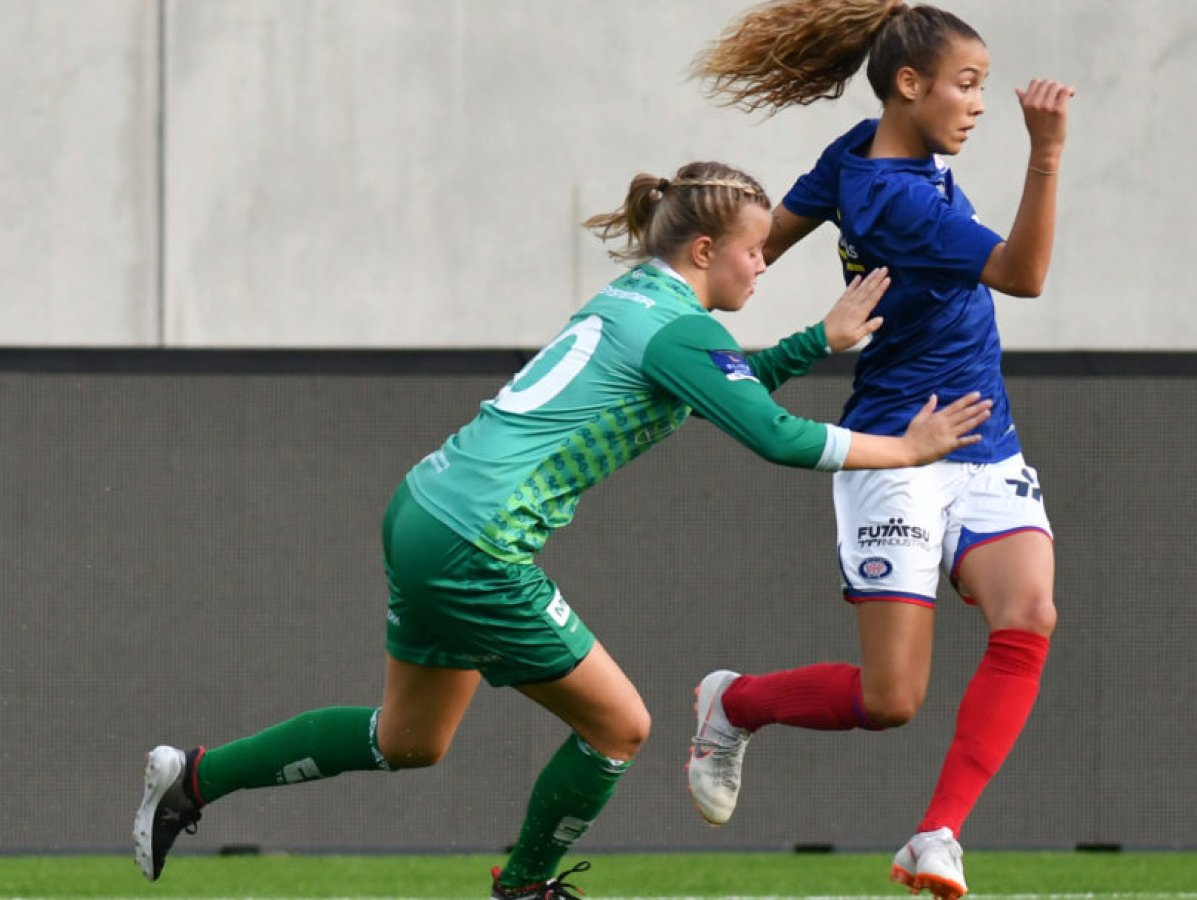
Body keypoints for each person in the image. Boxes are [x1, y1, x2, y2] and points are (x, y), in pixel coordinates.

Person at [132, 160, 993, 899]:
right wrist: (906, 449)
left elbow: (725, 382)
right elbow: (774, 435)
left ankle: (194, 778)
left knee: (409, 740)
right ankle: (525, 885)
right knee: (621, 726)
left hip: (426, 508)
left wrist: (814, 341)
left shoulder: (640, 302)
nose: (765, 263)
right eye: (754, 249)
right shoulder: (682, 330)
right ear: (704, 252)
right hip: (478, 538)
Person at [685, 4, 1074, 899]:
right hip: (899, 448)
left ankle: (937, 835)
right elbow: (1024, 275)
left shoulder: (860, 150)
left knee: (1031, 614)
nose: (978, 105)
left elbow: (763, 247)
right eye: (966, 85)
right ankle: (733, 703)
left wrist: (694, 279)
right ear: (911, 85)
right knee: (890, 700)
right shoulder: (895, 201)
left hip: (982, 436)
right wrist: (1046, 151)